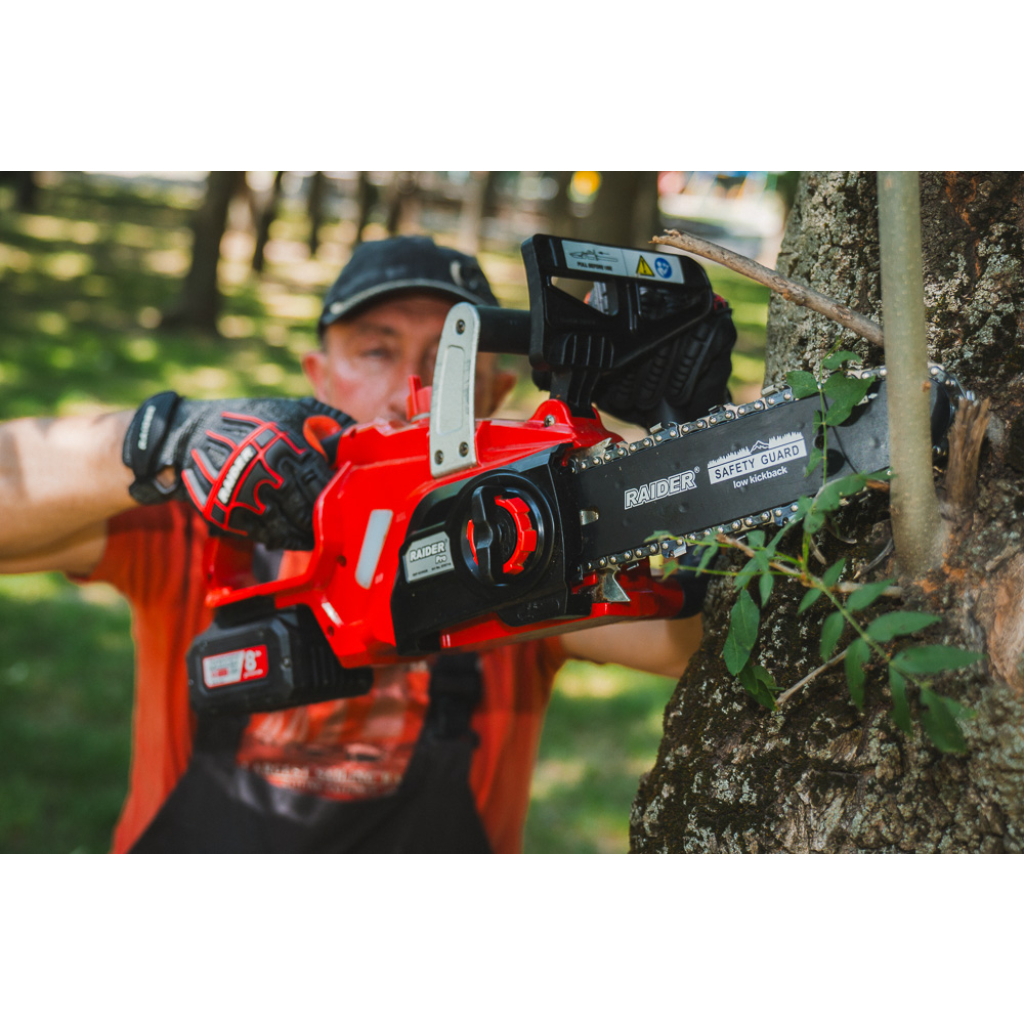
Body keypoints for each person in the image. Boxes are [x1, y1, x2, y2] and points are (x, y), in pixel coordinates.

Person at [0, 235, 733, 853]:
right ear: (318, 376)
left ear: (492, 392)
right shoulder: (195, 524)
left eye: (445, 359)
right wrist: (164, 442)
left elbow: (688, 643)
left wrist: (696, 423)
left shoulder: (523, 541)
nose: (406, 386)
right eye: (376, 351)